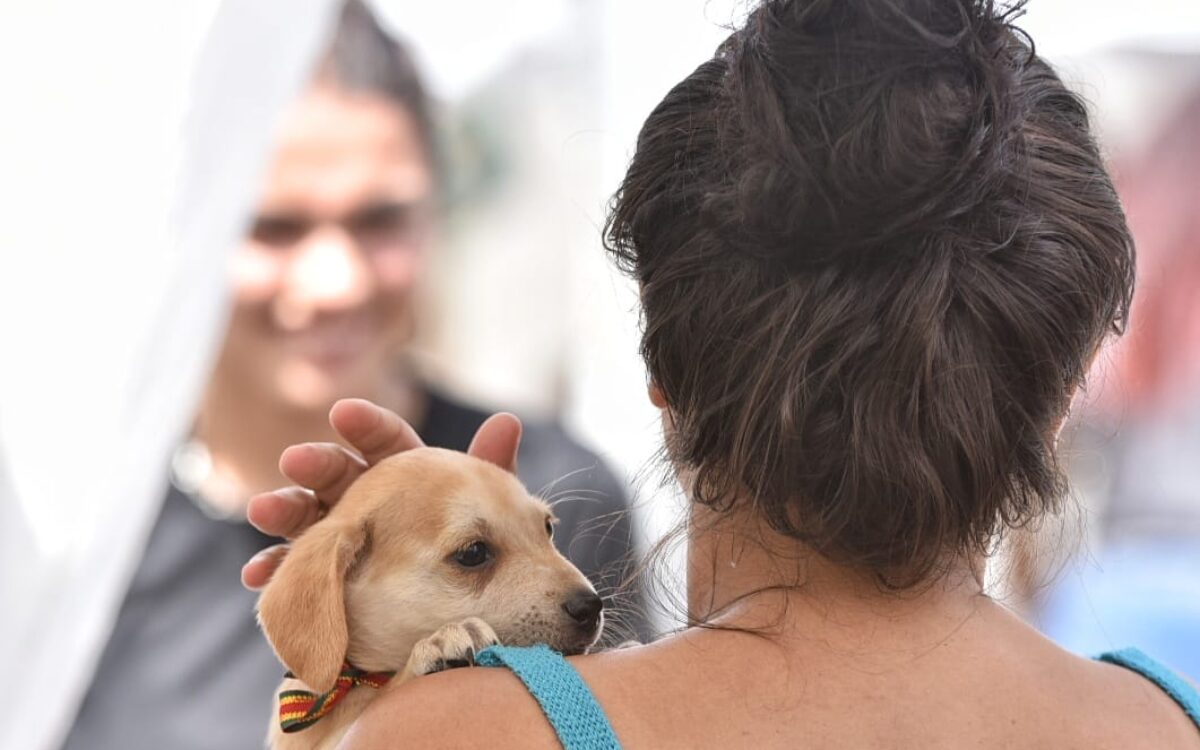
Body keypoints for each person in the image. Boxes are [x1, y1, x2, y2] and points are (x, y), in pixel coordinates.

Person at [245, 0, 1200, 747]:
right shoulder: (1168, 724)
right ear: (1070, 385)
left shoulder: (460, 737)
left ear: (662, 376)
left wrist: (364, 687)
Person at [62, 3, 640, 749]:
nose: (335, 280)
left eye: (380, 218)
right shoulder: (93, 541)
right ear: (191, 239)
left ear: (434, 214)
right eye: (272, 226)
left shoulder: (557, 478)